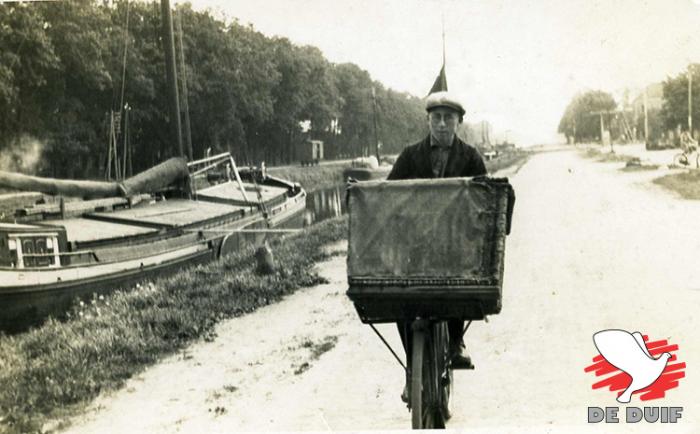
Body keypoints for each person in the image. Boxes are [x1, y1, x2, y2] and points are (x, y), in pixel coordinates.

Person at [387, 90, 487, 401]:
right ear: (429, 120)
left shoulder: (470, 157)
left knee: (459, 284)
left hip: (453, 245)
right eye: (436, 118)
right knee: (398, 296)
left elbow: (484, 197)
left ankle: (455, 342)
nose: (442, 124)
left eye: (448, 118)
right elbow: (388, 193)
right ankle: (411, 370)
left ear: (458, 122)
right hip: (416, 247)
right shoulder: (410, 156)